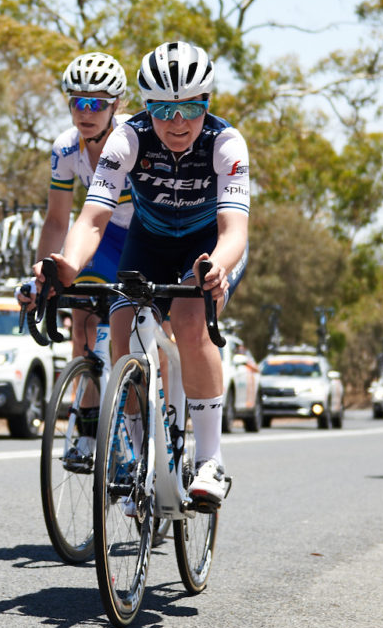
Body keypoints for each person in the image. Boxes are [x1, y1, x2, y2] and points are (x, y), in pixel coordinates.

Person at [33, 40, 250, 508]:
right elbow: (92, 219)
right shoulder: (127, 139)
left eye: (191, 108)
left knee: (190, 323)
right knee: (121, 331)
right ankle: (140, 458)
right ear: (146, 107)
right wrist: (67, 265)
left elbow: (235, 229)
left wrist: (218, 267)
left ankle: (210, 460)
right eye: (164, 110)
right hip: (148, 241)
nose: (178, 122)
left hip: (207, 245)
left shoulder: (226, 143)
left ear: (207, 102)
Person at [19, 52, 136, 459]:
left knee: (134, 333)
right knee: (83, 321)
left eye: (97, 103)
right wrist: (43, 275)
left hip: (142, 237)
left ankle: (145, 423)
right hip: (102, 238)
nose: (86, 112)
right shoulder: (66, 148)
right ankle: (86, 431)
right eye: (78, 102)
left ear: (115, 105)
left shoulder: (132, 139)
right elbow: (57, 220)